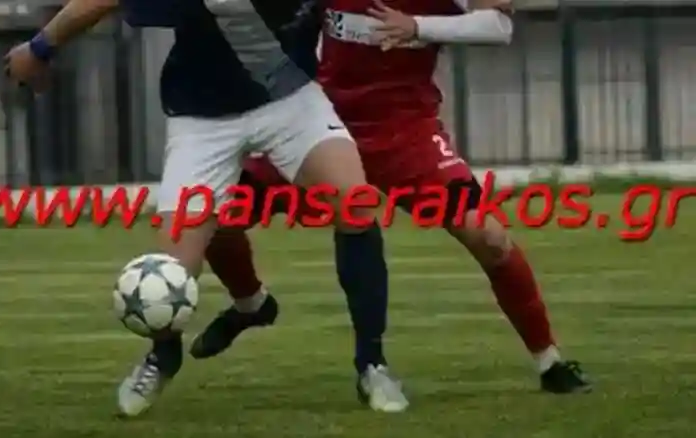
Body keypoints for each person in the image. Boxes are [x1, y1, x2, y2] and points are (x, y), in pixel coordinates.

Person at [4, 0, 406, 416]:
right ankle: (164, 355)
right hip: (202, 118)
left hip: (290, 101)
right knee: (172, 269)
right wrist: (39, 48)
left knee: (354, 203)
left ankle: (372, 364)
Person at [193, 0, 591, 407]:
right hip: (320, 123)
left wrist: (417, 27)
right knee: (217, 219)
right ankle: (251, 304)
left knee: (488, 237)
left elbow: (498, 27)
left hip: (405, 132)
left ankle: (549, 361)